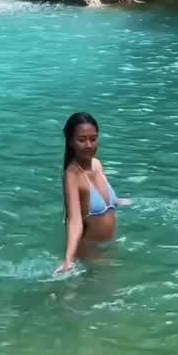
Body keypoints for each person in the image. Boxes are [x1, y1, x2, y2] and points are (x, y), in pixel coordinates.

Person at [55, 112, 131, 274]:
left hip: (111, 244)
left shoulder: (97, 164)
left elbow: (105, 201)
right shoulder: (72, 175)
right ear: (70, 142)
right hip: (91, 252)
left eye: (93, 138)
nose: (89, 145)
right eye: (81, 140)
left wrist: (119, 201)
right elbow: (74, 220)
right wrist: (68, 259)